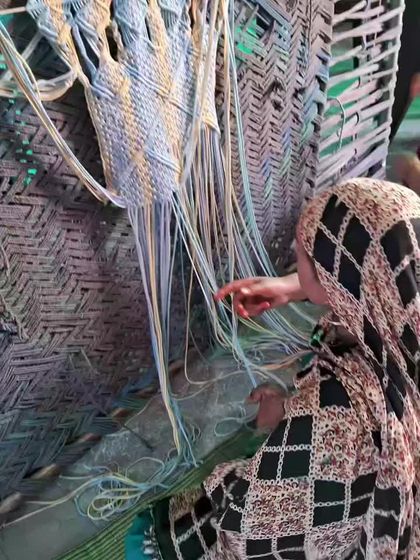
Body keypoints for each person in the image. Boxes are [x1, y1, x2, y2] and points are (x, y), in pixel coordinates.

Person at [127, 178, 420, 559]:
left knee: (147, 536)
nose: (297, 261)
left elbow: (252, 528)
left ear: (334, 277)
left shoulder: (337, 410)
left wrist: (283, 427)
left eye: (303, 256)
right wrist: (293, 287)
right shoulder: (399, 319)